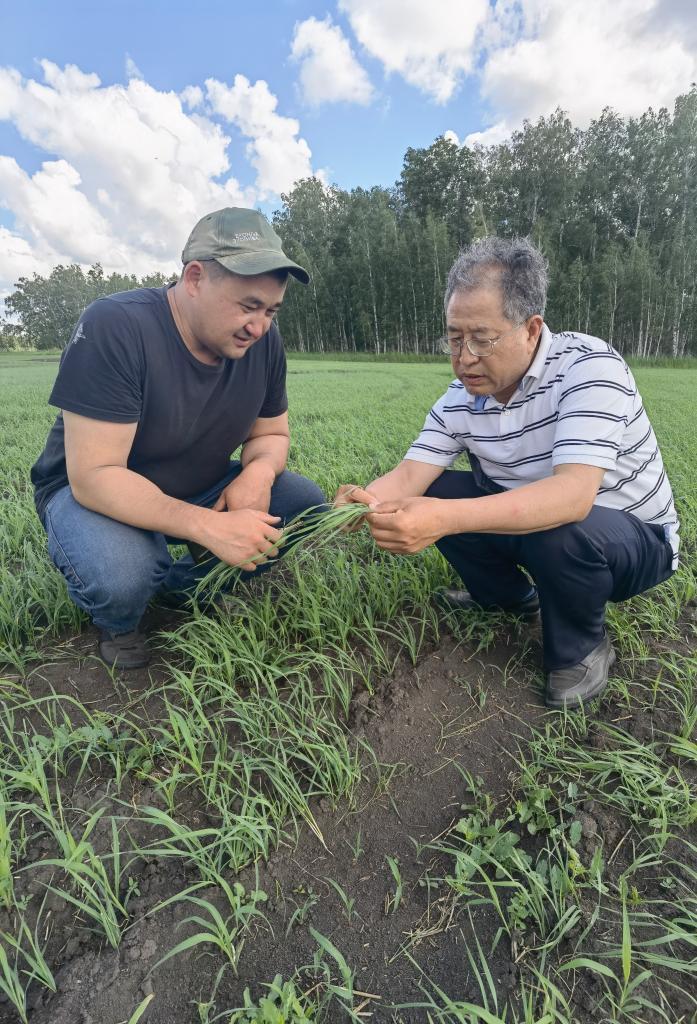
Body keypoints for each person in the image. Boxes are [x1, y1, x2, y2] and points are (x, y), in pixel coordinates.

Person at [337, 237, 678, 709]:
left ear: (531, 329)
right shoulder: (460, 398)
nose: (464, 357)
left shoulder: (588, 367)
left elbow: (572, 498)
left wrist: (444, 518)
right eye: (454, 338)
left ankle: (582, 647)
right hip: (543, 521)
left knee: (554, 529)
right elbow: (412, 474)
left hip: (631, 539)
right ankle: (510, 598)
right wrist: (363, 503)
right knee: (438, 490)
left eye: (482, 338)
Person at [31, 207, 325, 669]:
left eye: (271, 310)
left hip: (196, 482)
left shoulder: (264, 343)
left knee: (301, 503)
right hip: (97, 493)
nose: (260, 325)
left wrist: (260, 472)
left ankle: (183, 586)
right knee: (122, 573)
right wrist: (208, 527)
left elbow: (271, 432)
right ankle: (119, 620)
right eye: (249, 306)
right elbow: (94, 476)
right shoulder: (117, 326)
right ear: (193, 278)